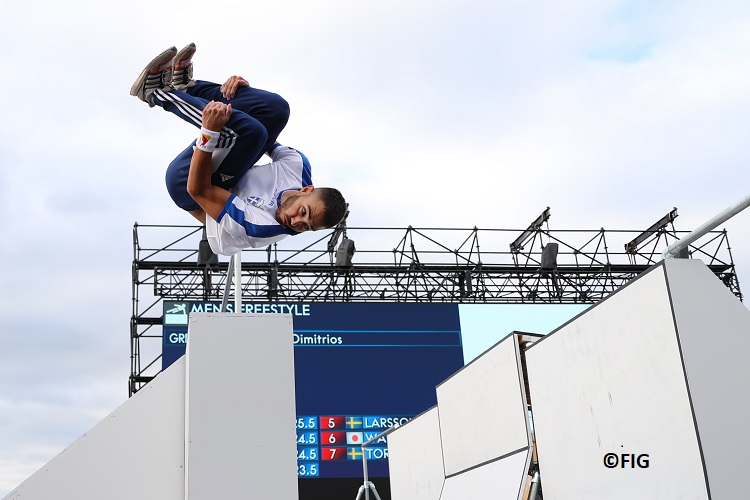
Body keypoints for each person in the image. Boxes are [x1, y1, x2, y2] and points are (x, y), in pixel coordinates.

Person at [130, 44, 347, 255]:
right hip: (224, 170)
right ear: (306, 190)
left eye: (305, 227)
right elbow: (267, 136)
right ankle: (185, 87)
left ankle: (154, 92)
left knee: (252, 131)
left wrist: (208, 131)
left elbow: (199, 190)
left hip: (189, 186)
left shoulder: (262, 228)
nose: (296, 222)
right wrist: (248, 99)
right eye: (303, 212)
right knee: (276, 110)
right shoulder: (298, 167)